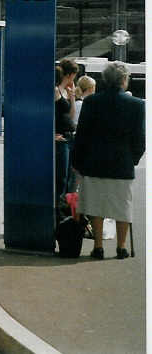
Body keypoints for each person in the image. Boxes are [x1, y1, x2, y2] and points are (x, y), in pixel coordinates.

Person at [72, 61, 145, 259]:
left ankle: (98, 246)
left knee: (97, 205)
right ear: (124, 80)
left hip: (95, 163)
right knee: (122, 206)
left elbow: (82, 135)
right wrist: (133, 159)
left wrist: (77, 161)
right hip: (122, 164)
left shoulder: (91, 102)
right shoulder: (137, 105)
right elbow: (140, 140)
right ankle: (121, 247)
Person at [54, 59, 79, 199]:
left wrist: (72, 98)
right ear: (70, 75)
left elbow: (71, 115)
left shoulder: (65, 91)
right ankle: (59, 208)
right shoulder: (56, 90)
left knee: (69, 176)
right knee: (62, 177)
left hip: (69, 136)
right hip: (61, 137)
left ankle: (64, 207)